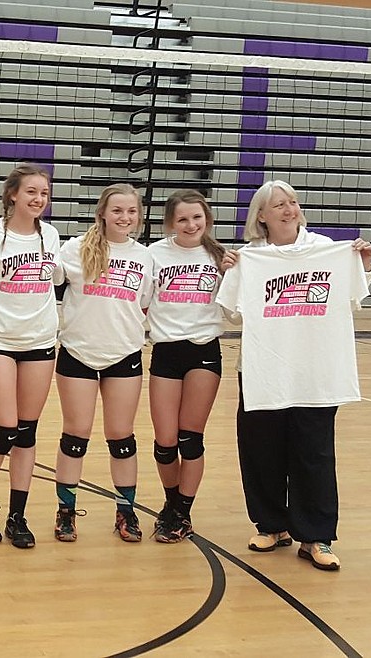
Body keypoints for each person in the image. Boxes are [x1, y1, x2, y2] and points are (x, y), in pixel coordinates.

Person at [218, 180, 371, 571]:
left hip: (317, 372)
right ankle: (271, 525)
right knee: (261, 450)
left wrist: (363, 263)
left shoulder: (328, 251)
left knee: (314, 454)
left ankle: (316, 536)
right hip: (264, 370)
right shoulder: (250, 258)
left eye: (293, 202)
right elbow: (230, 311)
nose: (289, 209)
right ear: (262, 217)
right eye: (279, 205)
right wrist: (230, 272)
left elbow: (357, 294)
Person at [0, 164, 60, 549]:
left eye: (45, 194)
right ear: (13, 195)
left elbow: (63, 279)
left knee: (27, 432)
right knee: (5, 429)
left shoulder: (50, 236)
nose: (39, 199)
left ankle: (17, 514)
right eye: (32, 192)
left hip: (40, 342)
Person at [52, 183, 154, 543]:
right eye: (117, 211)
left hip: (123, 354)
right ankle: (65, 513)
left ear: (138, 215)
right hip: (78, 353)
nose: (124, 217)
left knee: (121, 437)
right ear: (102, 213)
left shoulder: (145, 257)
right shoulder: (75, 249)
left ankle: (126, 513)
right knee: (75, 435)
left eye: (131, 211)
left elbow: (142, 305)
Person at [145, 190, 226, 543]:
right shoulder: (154, 255)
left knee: (189, 439)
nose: (191, 225)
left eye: (197, 217)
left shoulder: (221, 257)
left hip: (204, 351)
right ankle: (171, 503)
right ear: (170, 223)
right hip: (166, 351)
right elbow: (140, 299)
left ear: (207, 218)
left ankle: (181, 513)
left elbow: (237, 308)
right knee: (164, 442)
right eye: (183, 219)